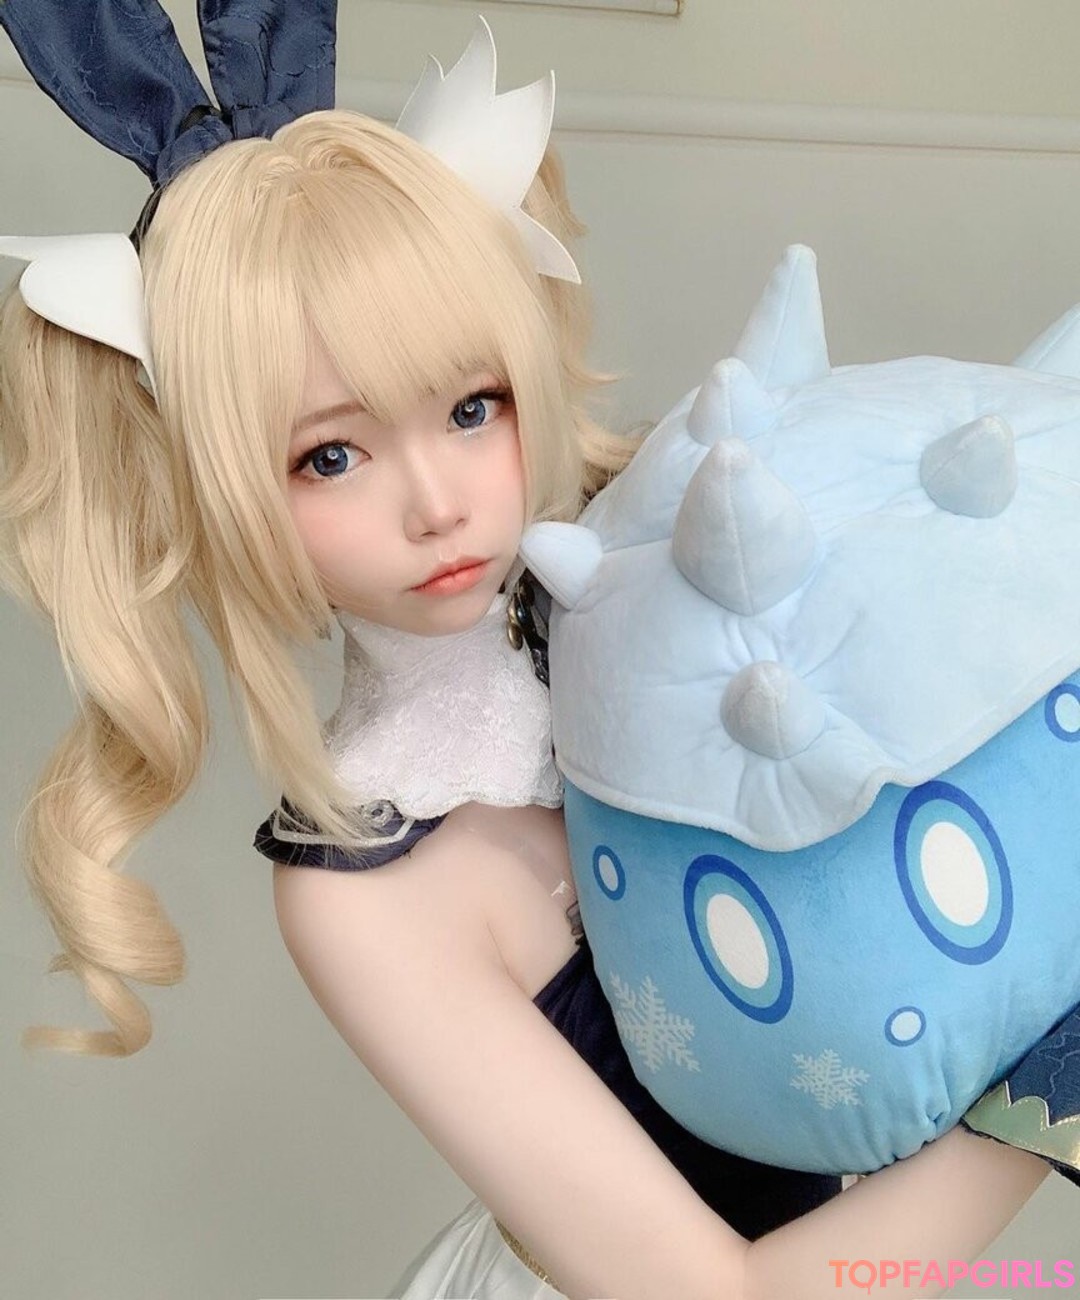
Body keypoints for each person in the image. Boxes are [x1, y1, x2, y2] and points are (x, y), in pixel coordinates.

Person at [0, 5, 1050, 1298]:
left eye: (469, 406)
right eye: (331, 454)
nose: (436, 503)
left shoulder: (662, 577)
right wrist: (1044, 1101)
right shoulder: (363, 889)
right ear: (222, 483)